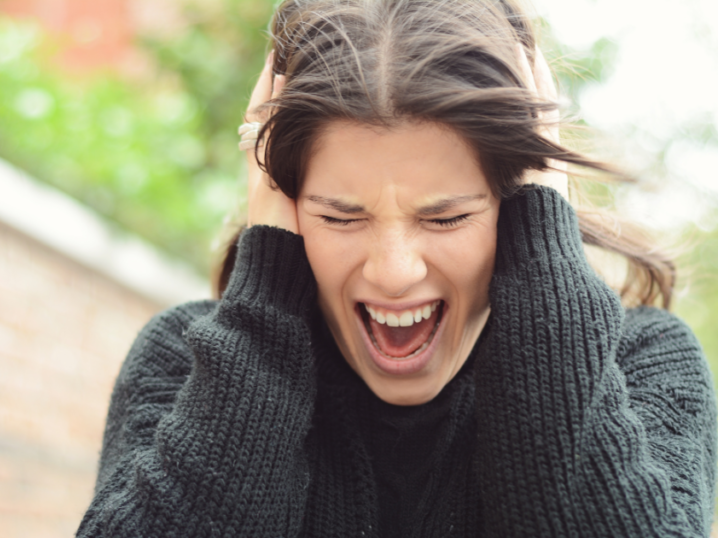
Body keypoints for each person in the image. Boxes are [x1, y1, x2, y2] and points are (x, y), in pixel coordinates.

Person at [77, 0, 717, 536]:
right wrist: (267, 291)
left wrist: (544, 276)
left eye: (445, 219)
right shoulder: (185, 365)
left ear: (522, 199)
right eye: (340, 217)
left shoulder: (645, 366)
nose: (392, 272)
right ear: (283, 206)